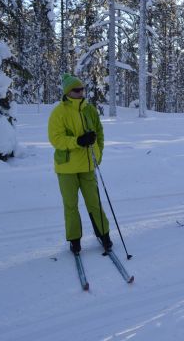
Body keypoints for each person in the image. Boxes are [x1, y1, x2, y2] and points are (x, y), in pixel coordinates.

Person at [48, 74, 112, 254]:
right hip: (66, 167)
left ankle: (104, 235)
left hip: (88, 165)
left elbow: (99, 133)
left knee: (94, 203)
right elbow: (56, 139)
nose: (81, 92)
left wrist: (98, 154)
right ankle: (74, 240)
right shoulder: (59, 112)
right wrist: (78, 141)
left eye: (82, 89)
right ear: (68, 92)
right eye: (77, 90)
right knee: (71, 205)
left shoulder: (89, 109)